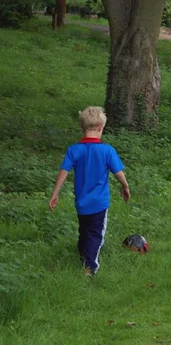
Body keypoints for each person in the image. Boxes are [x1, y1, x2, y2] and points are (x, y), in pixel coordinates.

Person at [48, 106, 130, 276]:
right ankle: (91, 267)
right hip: (99, 203)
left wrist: (55, 193)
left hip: (81, 202)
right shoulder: (107, 150)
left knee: (84, 231)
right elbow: (118, 173)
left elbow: (63, 172)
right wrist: (125, 186)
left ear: (82, 128)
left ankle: (83, 258)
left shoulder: (74, 150)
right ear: (101, 128)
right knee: (95, 235)